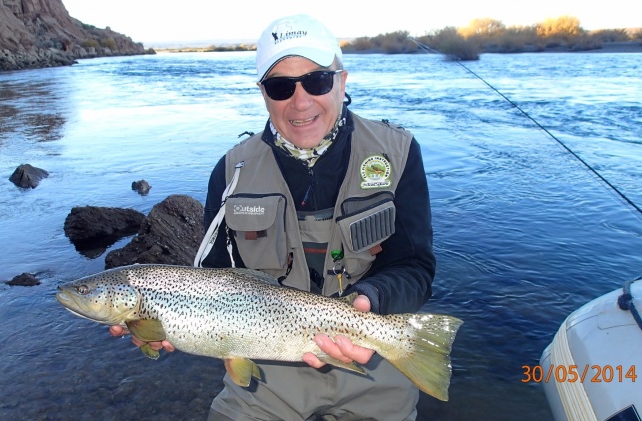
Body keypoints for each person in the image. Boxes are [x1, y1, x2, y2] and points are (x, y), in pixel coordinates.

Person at [111, 14, 435, 421]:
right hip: (266, 369)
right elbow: (210, 278)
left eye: (316, 81)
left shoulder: (398, 152)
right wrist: (173, 326)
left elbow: (414, 265)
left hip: (371, 351)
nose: (300, 102)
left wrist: (372, 302)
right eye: (280, 86)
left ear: (342, 81)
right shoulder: (231, 172)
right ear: (263, 93)